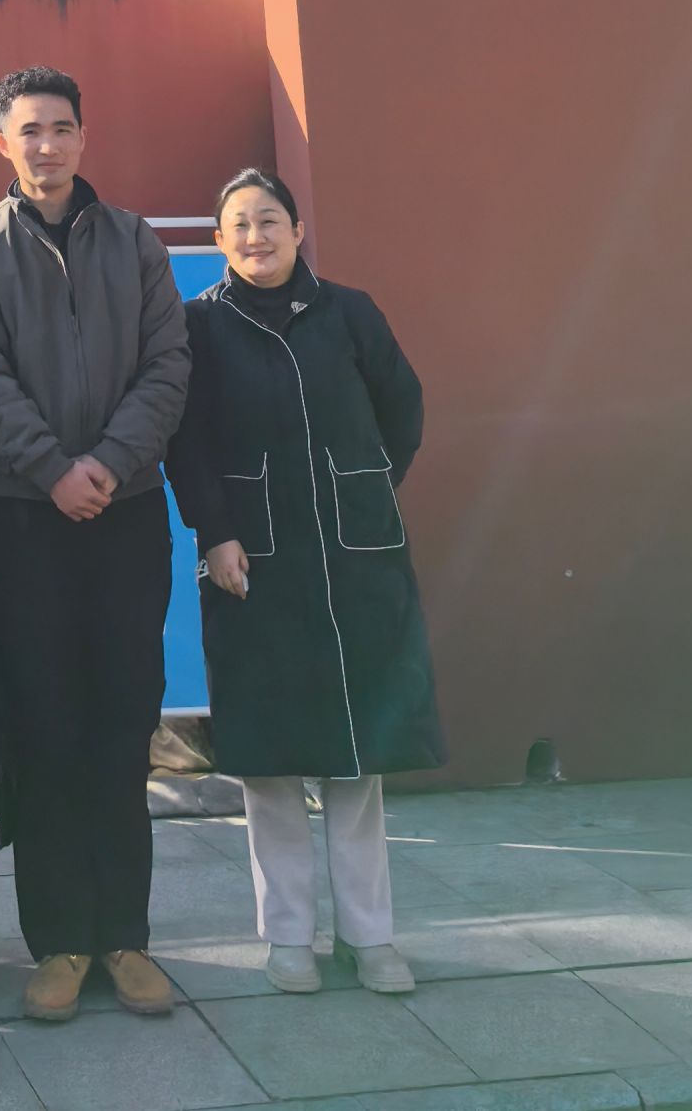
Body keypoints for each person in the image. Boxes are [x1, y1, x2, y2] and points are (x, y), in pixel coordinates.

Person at [0, 66, 190, 1025]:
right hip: (22, 519)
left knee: (122, 724)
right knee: (43, 729)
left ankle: (125, 936)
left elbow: (168, 365)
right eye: (29, 130)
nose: (47, 145)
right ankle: (60, 943)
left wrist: (109, 465)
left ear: (84, 137)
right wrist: (51, 470)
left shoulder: (135, 241)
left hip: (127, 515)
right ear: (3, 143)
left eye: (61, 128)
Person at [166, 166, 443, 996]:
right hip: (253, 564)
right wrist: (216, 532)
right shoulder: (199, 326)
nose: (256, 236)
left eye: (269, 220)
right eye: (240, 224)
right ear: (219, 241)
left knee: (359, 760)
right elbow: (186, 442)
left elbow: (403, 409)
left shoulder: (349, 312)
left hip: (357, 559)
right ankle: (288, 937)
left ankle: (371, 936)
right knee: (271, 758)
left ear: (296, 230)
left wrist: (364, 490)